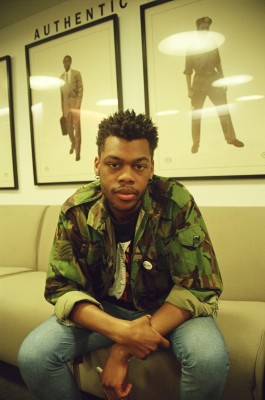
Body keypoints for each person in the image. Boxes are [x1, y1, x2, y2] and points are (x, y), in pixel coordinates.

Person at [18, 109, 229, 400]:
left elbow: (199, 287)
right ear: (97, 164)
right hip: (106, 309)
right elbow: (62, 287)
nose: (126, 176)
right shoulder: (76, 209)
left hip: (168, 309)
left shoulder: (176, 202)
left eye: (138, 166)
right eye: (114, 164)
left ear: (151, 168)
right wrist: (122, 330)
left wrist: (122, 348)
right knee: (34, 356)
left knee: (209, 359)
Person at [184, 16, 244, 153]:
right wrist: (189, 89)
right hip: (198, 82)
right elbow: (188, 70)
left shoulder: (212, 43)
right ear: (198, 29)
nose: (205, 30)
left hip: (214, 80)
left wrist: (223, 81)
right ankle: (196, 143)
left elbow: (218, 64)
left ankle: (231, 138)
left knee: (223, 110)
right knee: (196, 114)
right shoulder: (191, 46)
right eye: (203, 28)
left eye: (207, 28)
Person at [60, 55, 83, 161]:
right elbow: (61, 95)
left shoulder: (76, 74)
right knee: (69, 128)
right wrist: (62, 110)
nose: (66, 63)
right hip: (66, 107)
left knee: (77, 129)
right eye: (64, 61)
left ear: (71, 62)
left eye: (68, 61)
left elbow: (80, 89)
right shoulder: (60, 78)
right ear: (63, 63)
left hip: (75, 105)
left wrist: (78, 105)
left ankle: (78, 152)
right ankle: (73, 144)